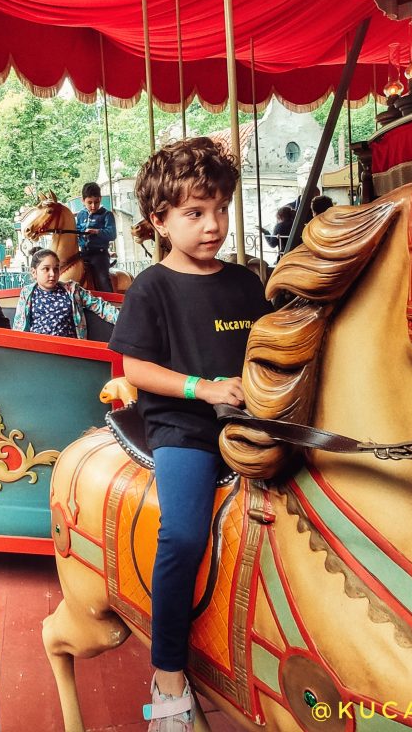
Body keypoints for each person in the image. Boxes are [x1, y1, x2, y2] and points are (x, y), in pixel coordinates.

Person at [107, 137, 270, 732]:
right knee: (180, 535)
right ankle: (170, 677)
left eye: (221, 209)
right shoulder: (153, 287)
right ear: (160, 220)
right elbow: (136, 370)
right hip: (185, 428)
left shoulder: (247, 285)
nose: (213, 225)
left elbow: (267, 348)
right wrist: (205, 388)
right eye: (195, 213)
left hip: (251, 421)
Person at [12, 248, 119, 338]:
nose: (52, 274)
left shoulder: (72, 290)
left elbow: (100, 306)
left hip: (68, 351)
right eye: (46, 269)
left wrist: (124, 321)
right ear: (34, 272)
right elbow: (18, 325)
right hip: (38, 351)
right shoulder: (27, 294)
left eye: (56, 269)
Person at [75, 181, 117, 292]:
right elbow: (77, 231)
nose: (93, 206)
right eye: (89, 202)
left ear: (100, 199)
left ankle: (110, 303)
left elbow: (112, 233)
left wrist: (97, 231)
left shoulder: (107, 215)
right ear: (82, 200)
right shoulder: (80, 215)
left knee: (102, 279)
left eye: (96, 202)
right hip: (83, 253)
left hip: (99, 254)